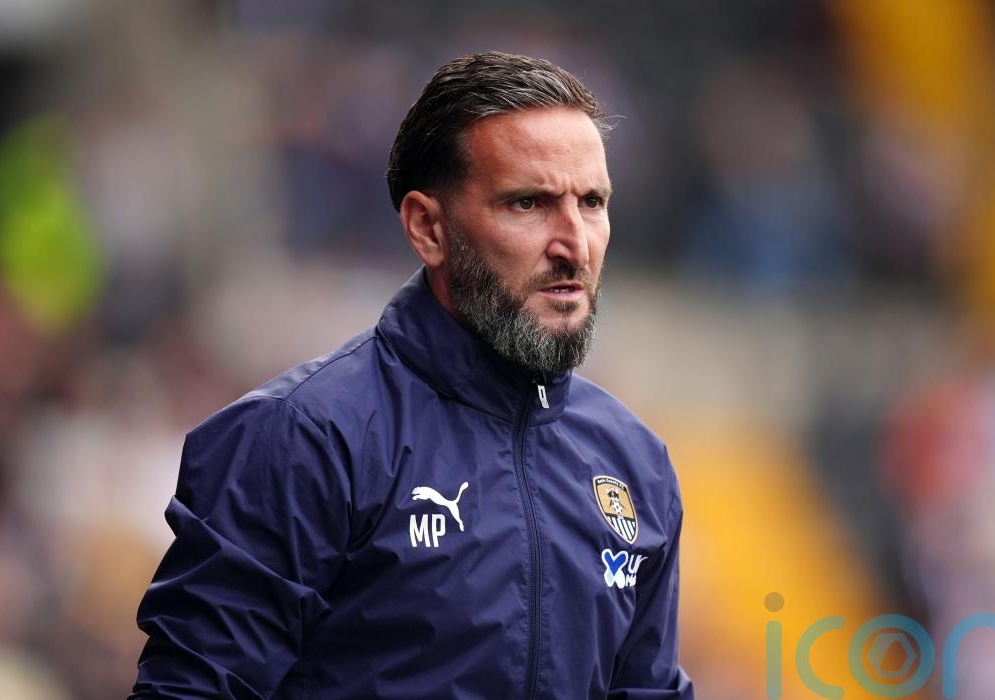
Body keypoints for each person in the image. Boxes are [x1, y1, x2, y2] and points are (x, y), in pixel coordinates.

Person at [130, 51, 693, 699]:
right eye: (528, 203)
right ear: (428, 228)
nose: (575, 244)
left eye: (591, 202)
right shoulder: (303, 438)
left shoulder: (635, 464)